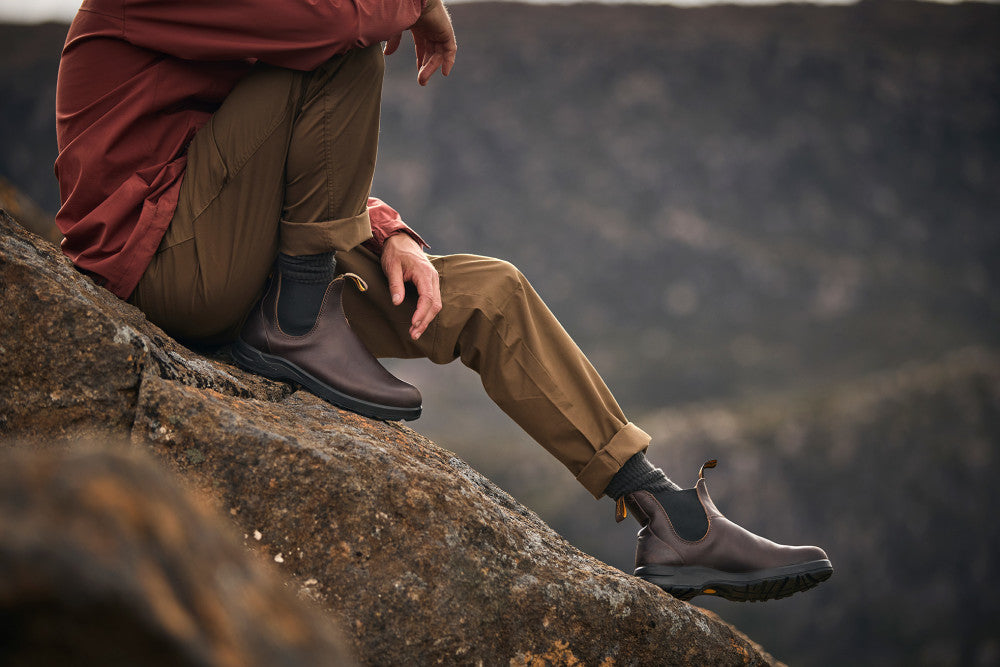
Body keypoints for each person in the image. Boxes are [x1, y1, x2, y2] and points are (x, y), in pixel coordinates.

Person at [54, 0, 831, 603]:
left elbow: (270, 150)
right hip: (169, 265)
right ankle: (297, 322)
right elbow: (331, 25)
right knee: (345, 43)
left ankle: (669, 515)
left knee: (490, 290)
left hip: (235, 249)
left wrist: (388, 230)